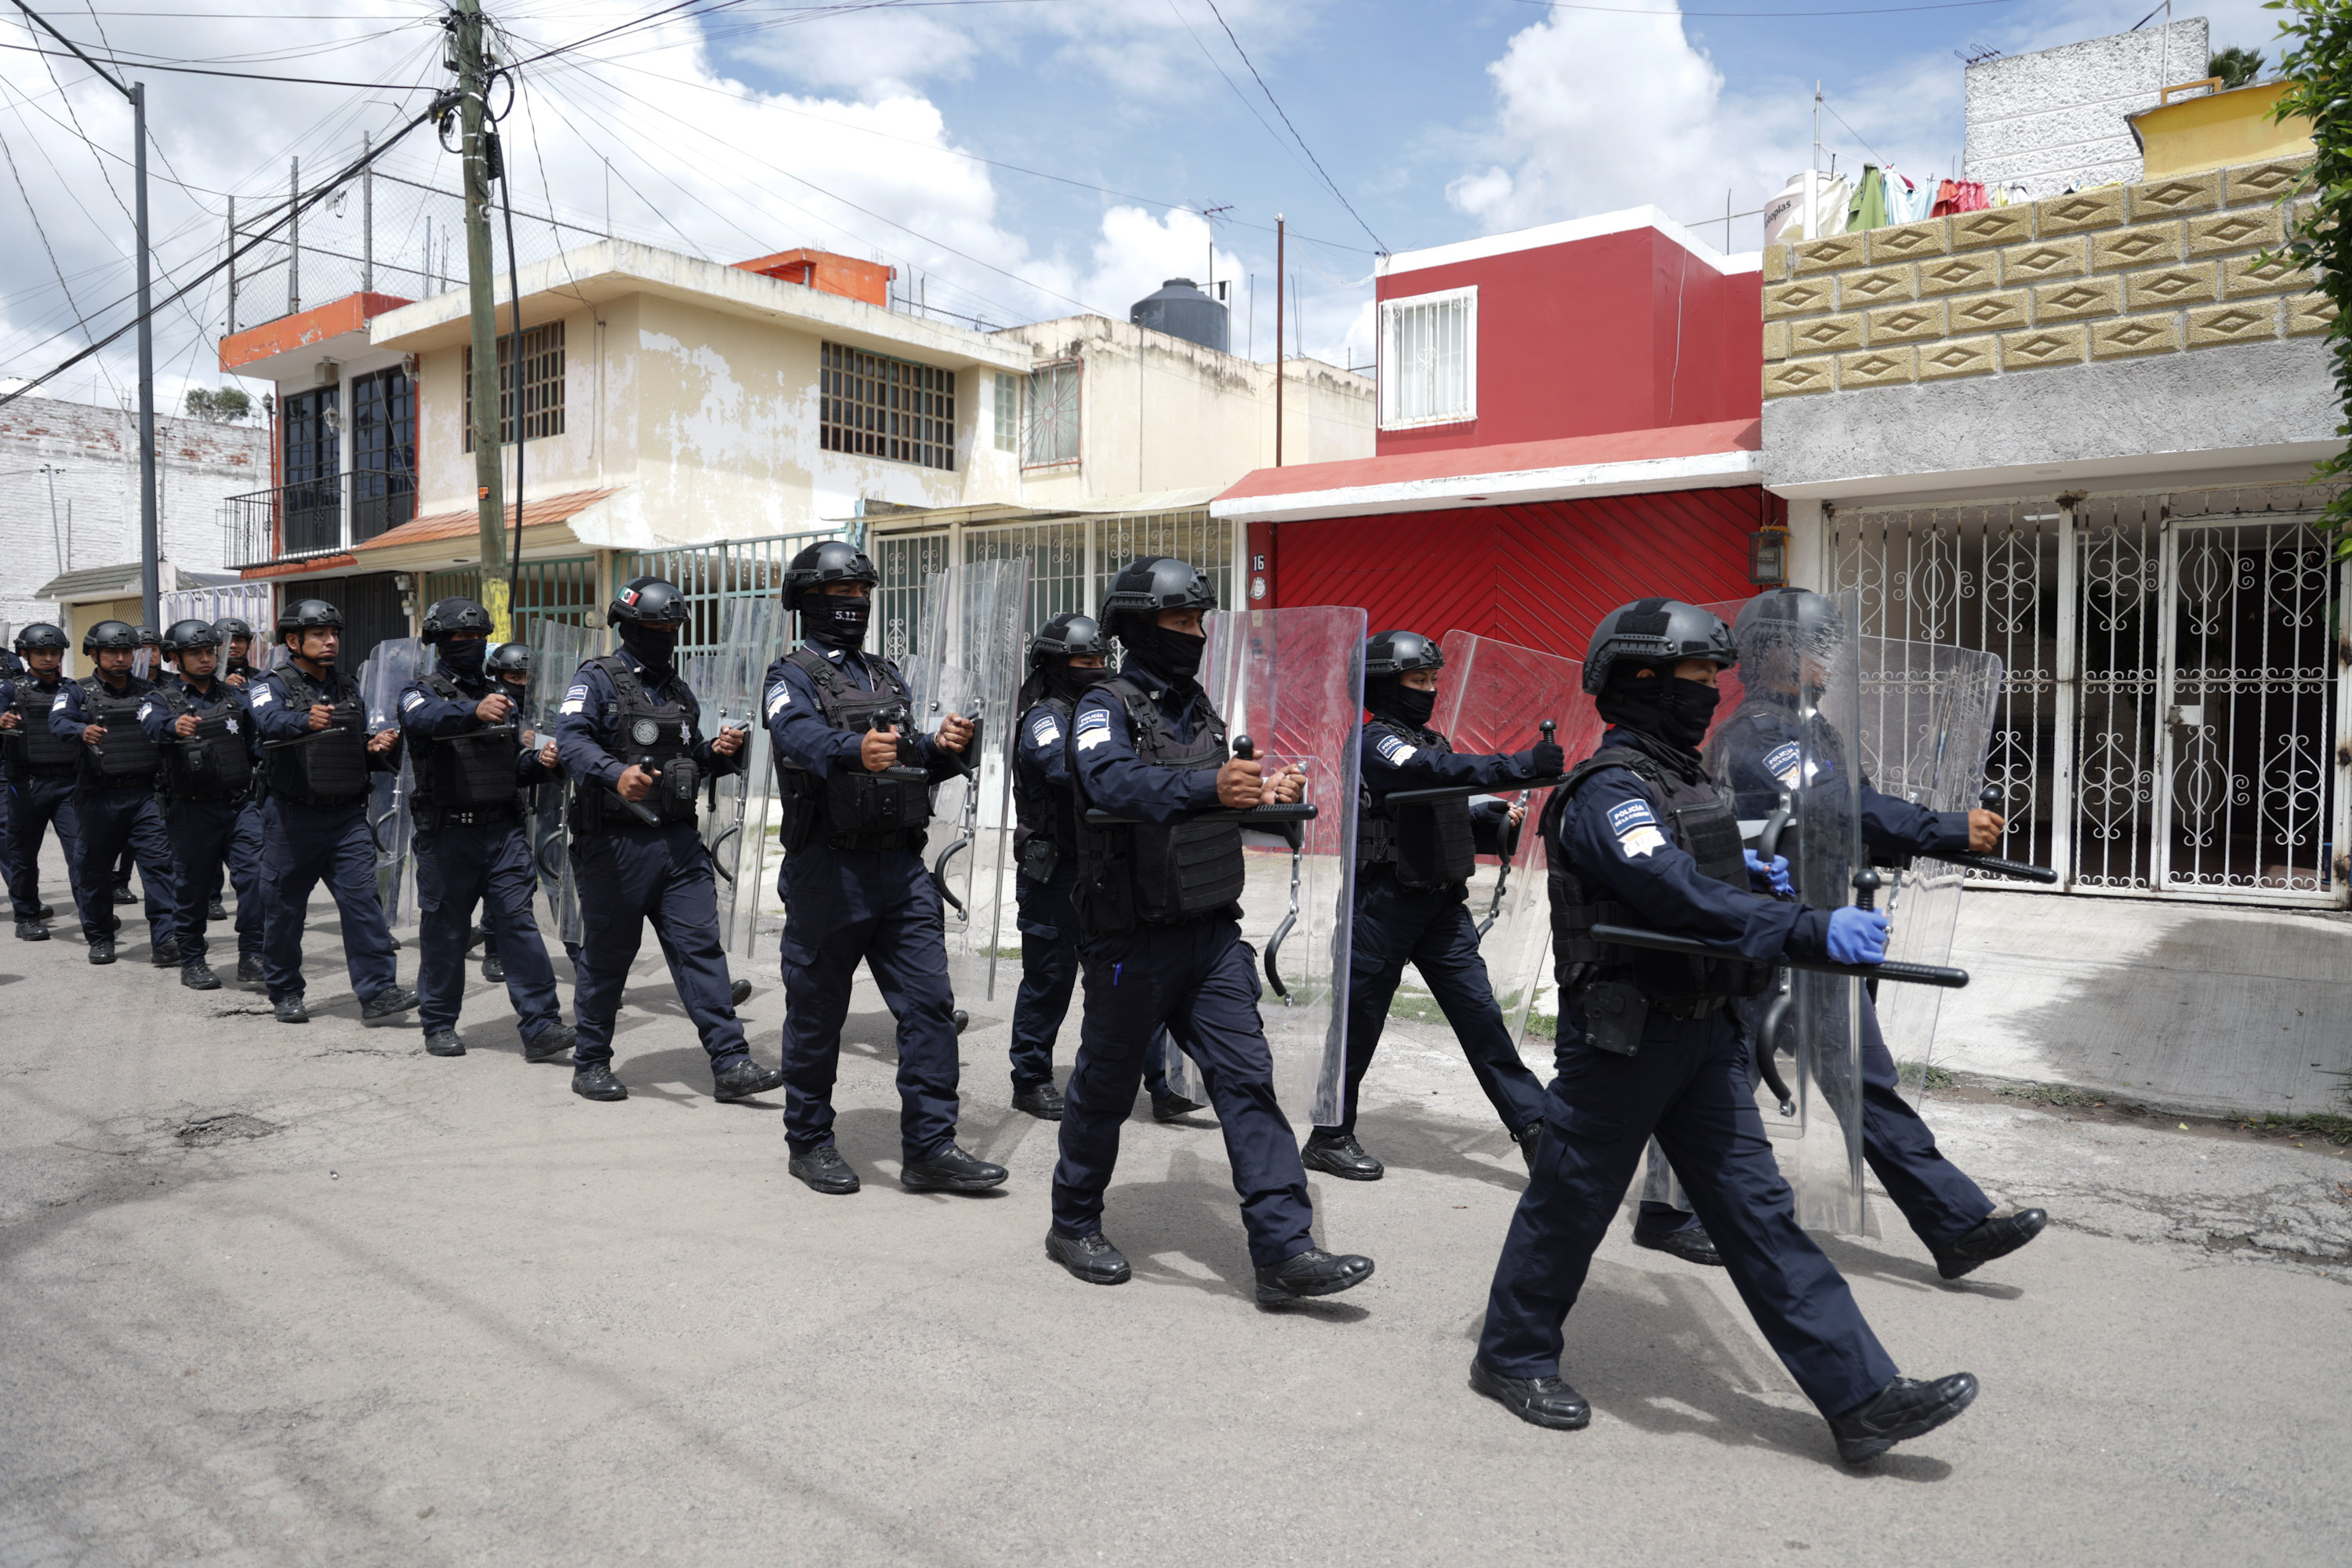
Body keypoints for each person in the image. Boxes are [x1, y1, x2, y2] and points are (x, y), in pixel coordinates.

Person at [1470, 597, 1977, 1464]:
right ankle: (1512, 1354)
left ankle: (1859, 1396)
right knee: (1570, 1203)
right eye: (1697, 676)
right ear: (1643, 681)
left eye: (1714, 674)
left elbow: (1710, 864)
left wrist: (1758, 868)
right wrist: (1806, 928)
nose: (1712, 692)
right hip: (1624, 1039)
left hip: (1706, 1032)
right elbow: (1674, 891)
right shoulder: (1608, 791)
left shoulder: (1687, 778)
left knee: (1760, 1214)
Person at [1629, 587, 2047, 1281]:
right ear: (1772, 654)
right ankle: (1667, 1211)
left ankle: (1954, 1225)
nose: (1828, 661)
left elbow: (1842, 820)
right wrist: (1942, 826)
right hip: (1760, 935)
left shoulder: (1812, 731)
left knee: (1859, 1076)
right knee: (1711, 1071)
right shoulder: (1756, 734)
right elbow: (1834, 803)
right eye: (1814, 646)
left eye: (1830, 646)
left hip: (1818, 928)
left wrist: (1906, 848)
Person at [1044, 555, 1374, 1303]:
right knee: (1104, 1084)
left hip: (1210, 935)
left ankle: (1285, 1251)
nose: (1193, 634)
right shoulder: (1105, 704)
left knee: (1247, 1080)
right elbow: (1110, 782)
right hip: (1131, 936)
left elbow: (1212, 801)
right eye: (1177, 621)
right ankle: (1073, 1222)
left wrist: (1261, 795)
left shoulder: (1200, 711)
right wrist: (1209, 784)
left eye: (1200, 621)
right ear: (1134, 626)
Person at [764, 541, 1003, 1196]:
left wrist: (944, 745)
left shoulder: (884, 673)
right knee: (817, 1013)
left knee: (929, 1009)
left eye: (864, 595)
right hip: (827, 871)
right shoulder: (791, 676)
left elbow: (906, 752)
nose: (855, 606)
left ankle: (931, 1147)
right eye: (843, 595)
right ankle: (809, 1140)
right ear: (811, 601)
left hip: (899, 869)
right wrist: (851, 750)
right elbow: (799, 739)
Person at [1302, 630, 1562, 1181]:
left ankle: (1536, 1128)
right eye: (1416, 681)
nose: (1429, 691)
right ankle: (1329, 1135)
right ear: (1383, 685)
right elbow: (1426, 775)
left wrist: (1487, 818)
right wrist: (1518, 764)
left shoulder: (1430, 743)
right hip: (1382, 906)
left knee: (1481, 1017)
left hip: (1441, 905)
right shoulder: (1376, 742)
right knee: (1358, 1023)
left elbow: (1436, 804)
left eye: (1432, 680)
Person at [555, 576, 782, 1104]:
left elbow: (688, 761)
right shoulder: (597, 679)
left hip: (678, 844)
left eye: (672, 629)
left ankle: (731, 1063)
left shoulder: (677, 691)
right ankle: (590, 1062)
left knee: (701, 951)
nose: (665, 637)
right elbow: (570, 740)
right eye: (656, 627)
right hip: (615, 844)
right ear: (630, 627)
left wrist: (719, 753)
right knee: (609, 957)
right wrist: (615, 774)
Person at [1005, 612, 1202, 1123]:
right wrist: (1122, 770)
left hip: (1111, 867)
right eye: (1081, 661)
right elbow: (1062, 767)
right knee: (1049, 979)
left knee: (1137, 972)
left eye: (1099, 659)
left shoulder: (1115, 709)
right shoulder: (1044, 717)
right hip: (1058, 872)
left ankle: (1163, 1086)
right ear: (1053, 663)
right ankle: (1029, 1080)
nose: (1093, 668)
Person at [398, 600, 575, 1064]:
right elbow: (421, 721)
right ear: (439, 643)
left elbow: (509, 767)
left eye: (478, 637)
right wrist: (474, 712)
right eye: (459, 638)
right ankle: (438, 1022)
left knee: (519, 927)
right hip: (447, 837)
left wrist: (540, 763)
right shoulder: (421, 692)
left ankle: (541, 1025)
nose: (470, 646)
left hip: (503, 834)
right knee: (446, 932)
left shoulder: (503, 695)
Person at [247, 598, 418, 1025]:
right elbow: (268, 722)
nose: (330, 641)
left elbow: (346, 744)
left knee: (363, 903)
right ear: (293, 640)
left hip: (345, 818)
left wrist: (373, 748)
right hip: (291, 817)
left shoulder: (346, 685)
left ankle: (379, 991)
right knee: (285, 910)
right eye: (320, 634)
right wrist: (304, 721)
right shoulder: (271, 684)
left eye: (334, 634)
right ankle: (285, 990)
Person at [46, 619, 180, 967]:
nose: (120, 658)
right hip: (98, 797)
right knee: (94, 869)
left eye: (126, 651)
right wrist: (81, 729)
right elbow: (57, 721)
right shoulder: (78, 691)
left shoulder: (150, 692)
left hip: (146, 794)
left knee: (159, 866)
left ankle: (166, 939)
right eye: (112, 651)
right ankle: (101, 937)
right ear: (93, 653)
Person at [140, 619, 263, 989]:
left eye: (210, 651)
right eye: (195, 653)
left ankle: (252, 956)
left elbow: (256, 743)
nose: (206, 659)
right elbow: (149, 724)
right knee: (192, 888)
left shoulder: (235, 697)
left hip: (240, 806)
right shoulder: (158, 700)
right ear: (176, 658)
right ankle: (192, 960)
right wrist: (172, 728)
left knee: (256, 879)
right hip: (191, 809)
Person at [1, 622, 81, 938]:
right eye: (40, 652)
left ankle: (92, 916)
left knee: (82, 853)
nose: (48, 658)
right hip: (27, 784)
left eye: (53, 653)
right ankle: (27, 917)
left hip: (69, 783)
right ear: (25, 654)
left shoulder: (73, 688)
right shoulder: (9, 689)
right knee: (23, 855)